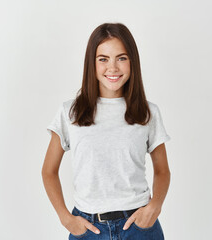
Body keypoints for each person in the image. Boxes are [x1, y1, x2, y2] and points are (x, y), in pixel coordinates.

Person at [41, 22, 171, 240]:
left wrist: (154, 207)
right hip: (88, 228)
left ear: (132, 62)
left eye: (121, 58)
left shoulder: (147, 113)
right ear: (92, 64)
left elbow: (162, 171)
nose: (113, 68)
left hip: (139, 227)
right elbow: (48, 171)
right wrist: (65, 218)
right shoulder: (70, 112)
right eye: (103, 59)